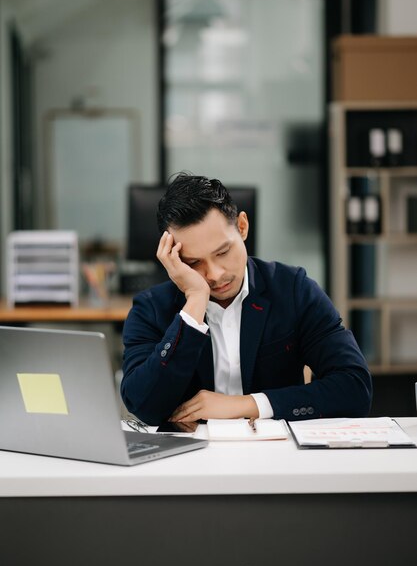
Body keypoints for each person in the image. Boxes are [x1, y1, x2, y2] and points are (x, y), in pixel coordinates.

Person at [121, 173, 372, 426]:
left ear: (242, 227)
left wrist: (247, 405)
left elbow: (355, 388)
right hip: (191, 460)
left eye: (223, 252)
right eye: (193, 262)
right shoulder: (151, 308)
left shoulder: (293, 289)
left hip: (278, 453)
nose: (215, 274)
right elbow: (143, 405)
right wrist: (195, 302)